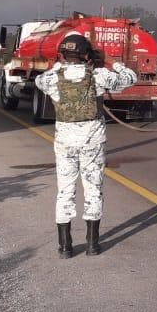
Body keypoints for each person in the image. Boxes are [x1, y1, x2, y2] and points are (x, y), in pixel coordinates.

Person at [35, 34, 136, 258]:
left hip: (65, 143)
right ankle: (92, 245)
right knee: (93, 190)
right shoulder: (99, 75)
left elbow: (39, 81)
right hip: (92, 142)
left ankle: (65, 247)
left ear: (62, 54)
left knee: (65, 191)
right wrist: (111, 61)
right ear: (87, 54)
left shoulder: (51, 78)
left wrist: (59, 63)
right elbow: (130, 78)